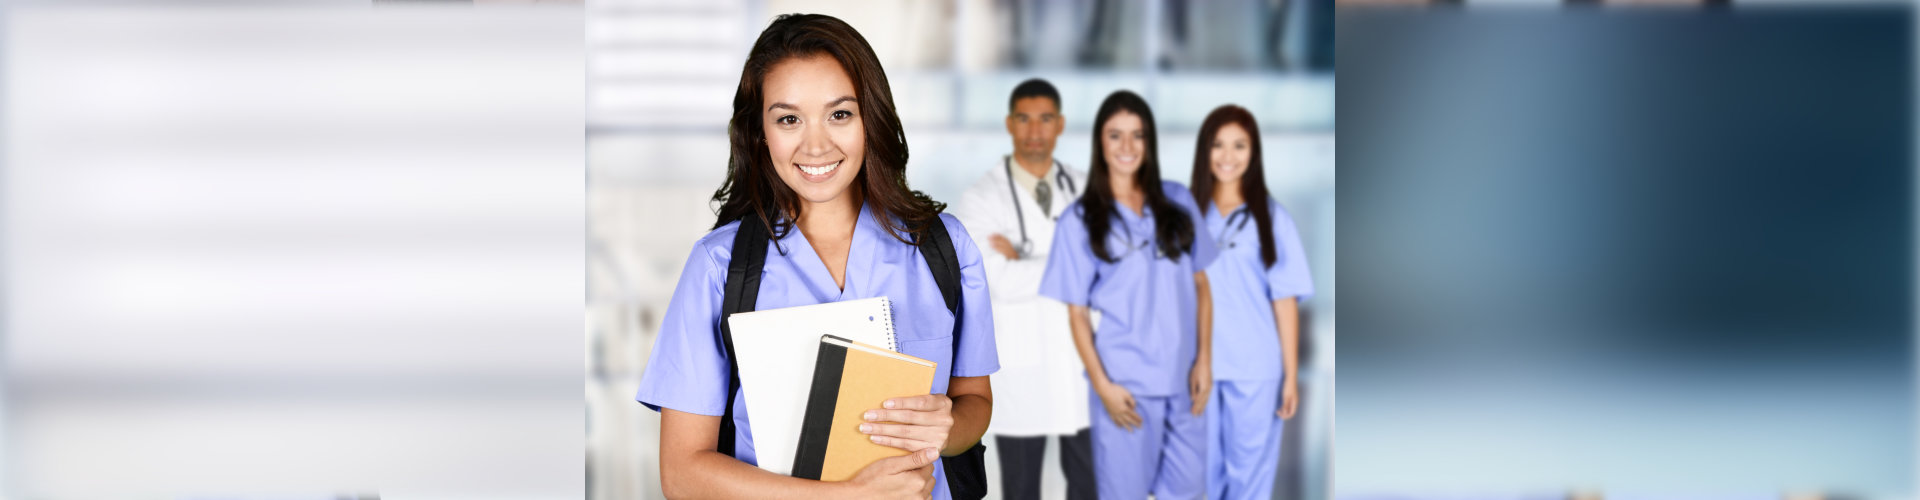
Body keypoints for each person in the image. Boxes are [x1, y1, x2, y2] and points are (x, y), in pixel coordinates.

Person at [634, 14, 998, 500]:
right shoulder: (720, 268)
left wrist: (944, 427)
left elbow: (974, 402)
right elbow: (682, 475)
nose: (817, 144)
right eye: (788, 119)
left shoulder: (943, 247)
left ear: (871, 116)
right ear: (760, 131)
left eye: (840, 114)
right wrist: (851, 495)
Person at [1040, 90, 1217, 500]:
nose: (1127, 147)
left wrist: (1205, 361)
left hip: (1186, 384)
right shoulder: (1080, 220)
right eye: (1115, 135)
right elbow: (1077, 314)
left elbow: (1202, 285)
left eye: (1137, 135)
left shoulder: (1178, 201)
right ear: (1100, 143)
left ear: (1149, 142)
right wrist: (1102, 385)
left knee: (1189, 492)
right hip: (1125, 389)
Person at [949, 78, 1095, 500]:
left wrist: (1024, 261)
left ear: (1060, 124)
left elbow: (1108, 269)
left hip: (1082, 368)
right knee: (1021, 489)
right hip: (1022, 372)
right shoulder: (981, 198)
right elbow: (994, 278)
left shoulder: (1089, 191)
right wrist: (1071, 266)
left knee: (1089, 487)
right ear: (1010, 124)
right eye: (1025, 119)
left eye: (1045, 119)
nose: (1035, 131)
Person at [1188, 105, 1313, 500]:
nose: (1228, 156)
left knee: (1249, 479)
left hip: (1255, 367)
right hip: (1199, 366)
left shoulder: (1273, 219)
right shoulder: (1186, 215)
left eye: (1239, 145)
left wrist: (1290, 375)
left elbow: (1285, 301)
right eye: (1218, 145)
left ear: (1254, 152)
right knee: (1200, 476)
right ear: (1204, 151)